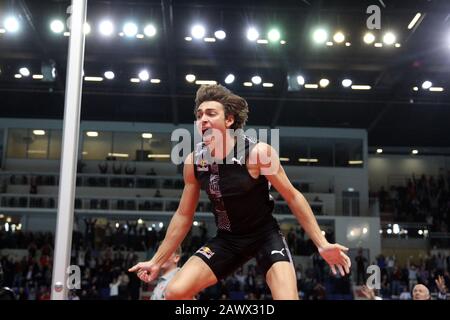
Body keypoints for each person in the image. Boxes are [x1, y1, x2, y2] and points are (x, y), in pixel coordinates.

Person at [129, 84, 351, 300]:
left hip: (265, 236)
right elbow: (184, 215)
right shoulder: (195, 162)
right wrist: (157, 261)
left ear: (229, 120)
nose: (203, 119)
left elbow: (293, 196)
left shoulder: (257, 153)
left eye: (211, 113)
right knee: (174, 292)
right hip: (228, 239)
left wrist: (322, 243)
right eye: (199, 115)